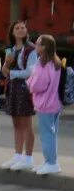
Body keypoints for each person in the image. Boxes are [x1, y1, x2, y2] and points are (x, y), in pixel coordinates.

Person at [4, 23, 39, 171]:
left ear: (27, 31)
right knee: (16, 123)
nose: (20, 30)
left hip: (25, 89)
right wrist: (7, 65)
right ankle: (17, 156)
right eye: (17, 28)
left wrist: (12, 73)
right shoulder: (10, 49)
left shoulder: (31, 49)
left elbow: (30, 72)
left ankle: (28, 158)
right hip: (13, 88)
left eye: (23, 28)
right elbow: (4, 70)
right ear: (12, 32)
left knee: (26, 124)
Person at [28, 35, 63, 176]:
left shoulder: (44, 64)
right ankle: (50, 161)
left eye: (38, 44)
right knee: (52, 134)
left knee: (46, 135)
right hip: (54, 103)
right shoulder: (55, 62)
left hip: (45, 104)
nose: (35, 46)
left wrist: (29, 84)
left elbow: (38, 84)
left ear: (44, 47)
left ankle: (51, 163)